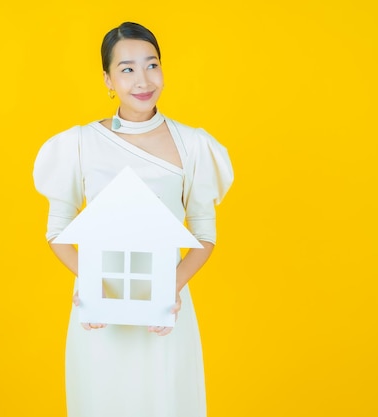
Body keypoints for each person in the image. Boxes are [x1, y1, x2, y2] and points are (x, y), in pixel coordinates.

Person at [33, 22, 233, 417]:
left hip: (166, 316)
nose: (142, 79)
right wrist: (94, 284)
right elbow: (57, 230)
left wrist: (166, 290)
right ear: (108, 78)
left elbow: (204, 233)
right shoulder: (80, 143)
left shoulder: (192, 144)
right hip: (99, 318)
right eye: (127, 69)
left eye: (151, 65)